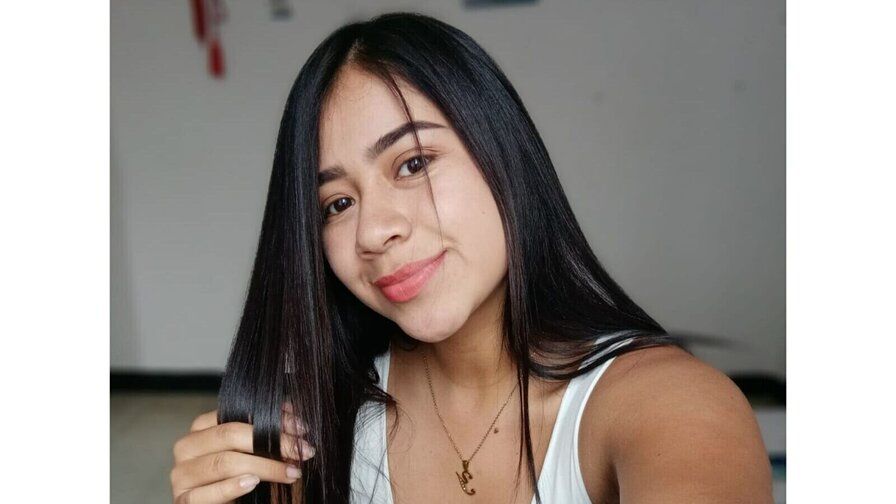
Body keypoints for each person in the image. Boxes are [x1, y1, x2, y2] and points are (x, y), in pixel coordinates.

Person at [169, 12, 773, 504]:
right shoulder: (315, 427)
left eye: (413, 163)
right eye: (338, 203)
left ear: (502, 153)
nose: (373, 232)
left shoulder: (665, 403)